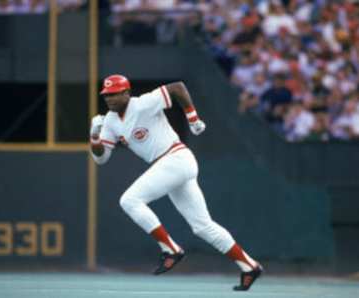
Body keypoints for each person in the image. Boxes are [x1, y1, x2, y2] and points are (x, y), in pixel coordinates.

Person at [90, 74, 263, 291]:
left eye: (114, 94)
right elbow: (100, 158)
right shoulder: (110, 121)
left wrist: (192, 118)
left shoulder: (143, 103)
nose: (109, 99)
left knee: (129, 200)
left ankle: (171, 249)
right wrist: (94, 135)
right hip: (171, 166)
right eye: (106, 95)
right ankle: (249, 266)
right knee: (202, 226)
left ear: (126, 93)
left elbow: (178, 87)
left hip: (176, 158)